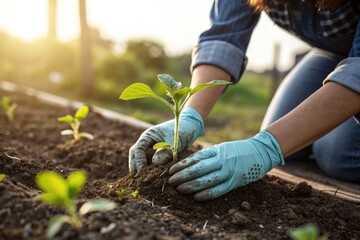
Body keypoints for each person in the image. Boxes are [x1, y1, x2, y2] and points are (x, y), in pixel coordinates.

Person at [128, 0, 360, 201]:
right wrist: (190, 115)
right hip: (333, 52)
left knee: (335, 154)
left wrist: (265, 148)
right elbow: (224, 36)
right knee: (287, 145)